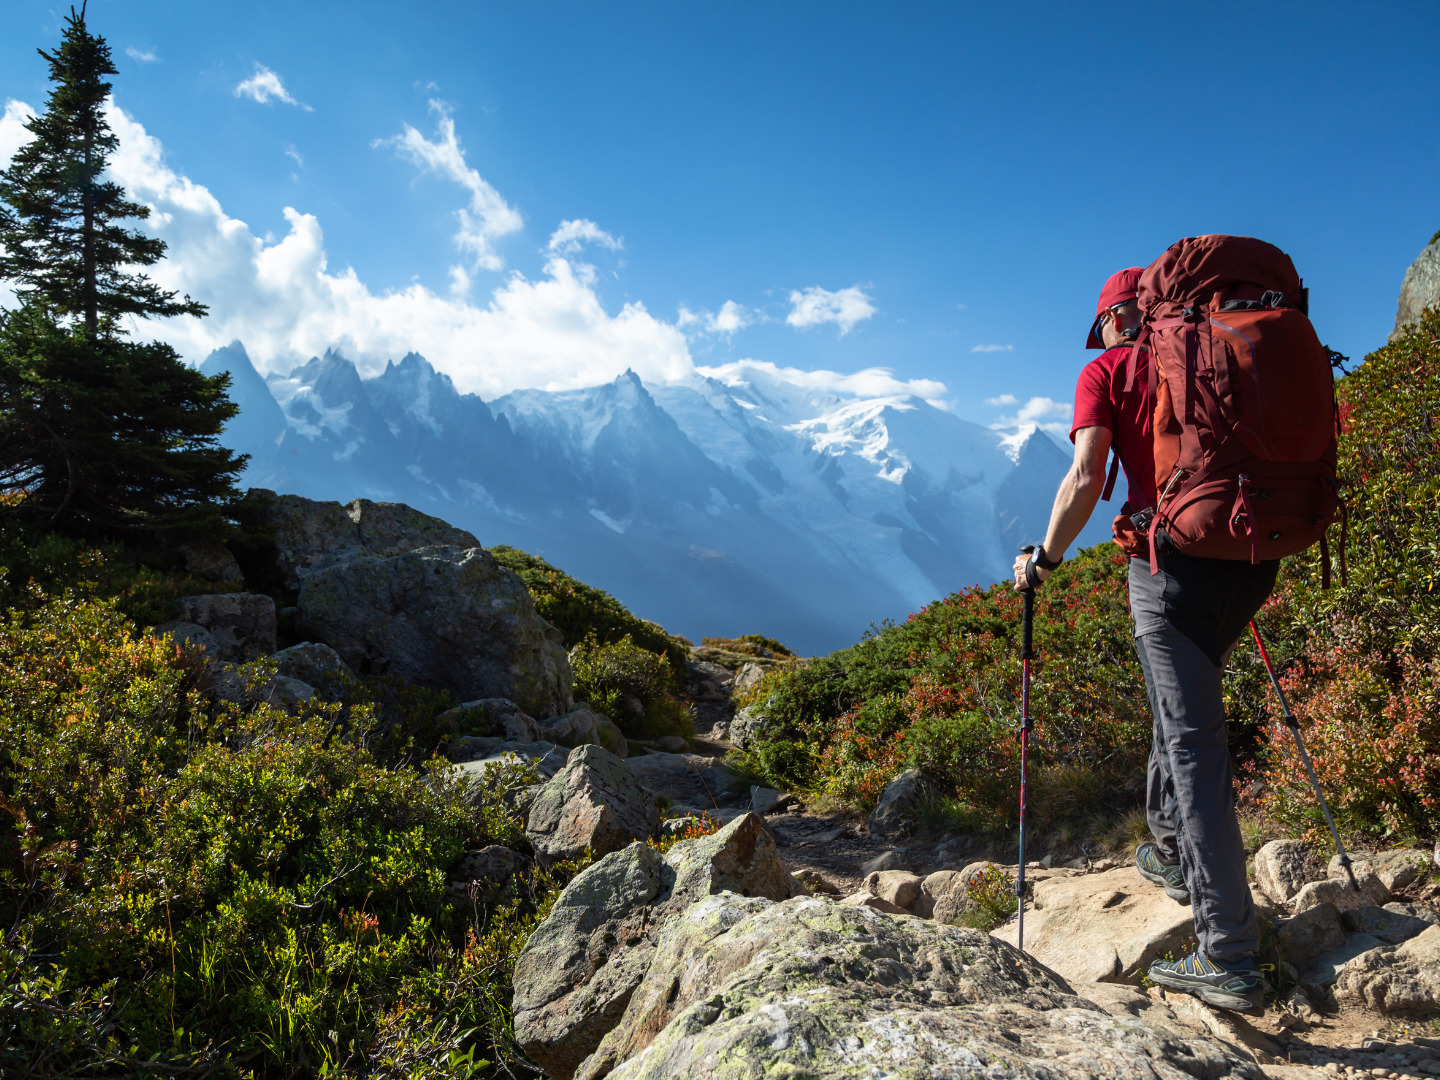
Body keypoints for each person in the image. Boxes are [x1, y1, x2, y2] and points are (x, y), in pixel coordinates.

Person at [1011, 266, 1277, 1013]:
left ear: (1112, 322)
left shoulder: (1106, 369)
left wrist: (1046, 560)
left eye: (1100, 327)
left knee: (1193, 740)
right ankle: (1170, 850)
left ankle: (1228, 951)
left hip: (1170, 568)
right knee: (1181, 704)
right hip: (1255, 556)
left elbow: (1088, 474)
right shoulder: (1207, 351)